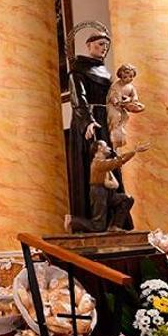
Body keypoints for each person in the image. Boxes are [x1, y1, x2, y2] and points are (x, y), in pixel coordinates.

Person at [66, 31, 133, 230]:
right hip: (89, 119)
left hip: (105, 119)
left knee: (111, 162)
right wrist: (87, 121)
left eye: (106, 45)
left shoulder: (105, 72)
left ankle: (114, 222)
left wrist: (124, 102)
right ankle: (89, 220)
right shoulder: (77, 69)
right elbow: (79, 97)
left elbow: (113, 94)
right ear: (89, 45)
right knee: (93, 162)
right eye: (100, 44)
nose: (104, 48)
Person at [65, 140, 150, 233]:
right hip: (98, 193)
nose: (109, 148)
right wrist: (134, 151)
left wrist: (134, 151)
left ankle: (115, 226)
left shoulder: (103, 162)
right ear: (99, 148)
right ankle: (73, 221)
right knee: (99, 226)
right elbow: (118, 161)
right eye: (106, 146)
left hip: (107, 193)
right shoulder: (97, 163)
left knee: (127, 199)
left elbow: (119, 159)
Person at [106, 63, 145, 149]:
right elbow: (112, 95)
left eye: (131, 77)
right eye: (125, 77)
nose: (128, 79)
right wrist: (116, 101)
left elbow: (134, 96)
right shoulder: (116, 85)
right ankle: (113, 130)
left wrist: (131, 100)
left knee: (125, 116)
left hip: (123, 106)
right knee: (117, 116)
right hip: (114, 106)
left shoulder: (130, 87)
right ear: (121, 75)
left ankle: (120, 130)